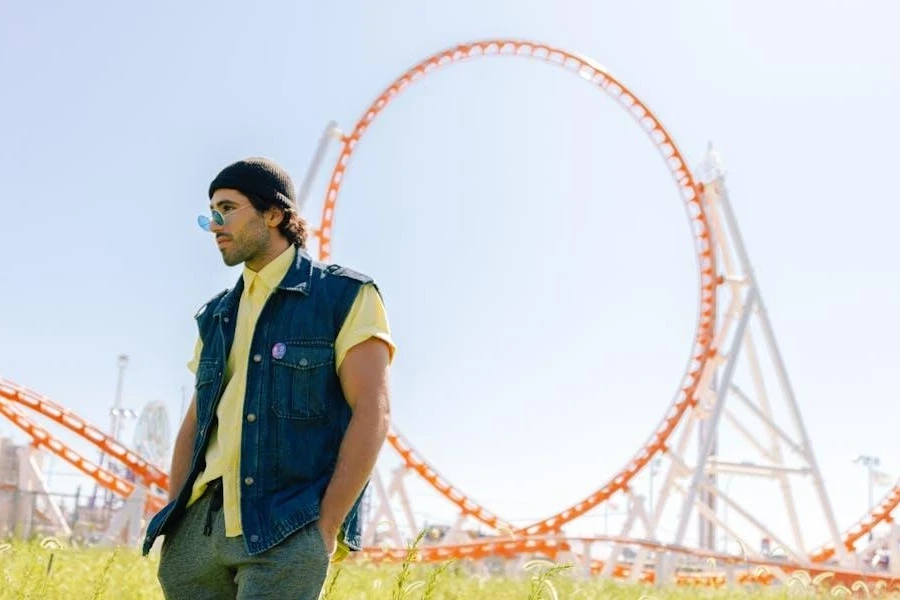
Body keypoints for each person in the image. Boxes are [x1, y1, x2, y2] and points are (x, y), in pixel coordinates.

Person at [141, 157, 395, 599]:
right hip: (198, 533)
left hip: (287, 526)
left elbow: (373, 411)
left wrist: (326, 526)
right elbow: (195, 423)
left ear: (274, 214)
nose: (214, 224)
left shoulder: (345, 296)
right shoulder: (215, 316)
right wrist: (174, 519)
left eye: (227, 208)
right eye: (211, 213)